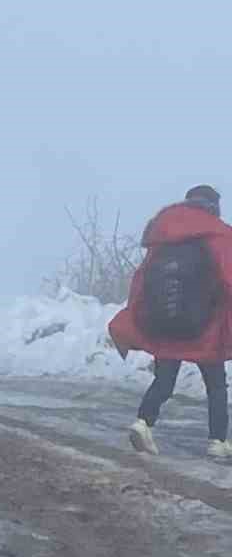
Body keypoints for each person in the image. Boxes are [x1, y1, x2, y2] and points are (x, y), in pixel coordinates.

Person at [108, 185, 232, 461]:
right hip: (204, 329)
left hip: (164, 325)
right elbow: (229, 278)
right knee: (216, 385)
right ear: (213, 207)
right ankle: (217, 441)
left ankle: (143, 423)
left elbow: (141, 281)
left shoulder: (164, 235)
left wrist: (137, 317)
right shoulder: (219, 235)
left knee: (164, 380)